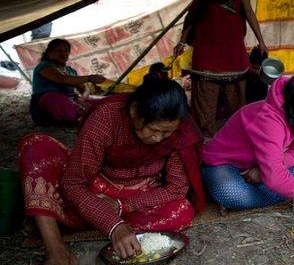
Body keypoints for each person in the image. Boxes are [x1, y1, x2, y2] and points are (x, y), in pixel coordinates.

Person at [18, 78, 206, 264]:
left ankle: (91, 220)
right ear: (134, 111)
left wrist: (122, 206)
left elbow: (176, 189)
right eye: (153, 129)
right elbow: (74, 183)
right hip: (96, 186)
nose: (158, 138)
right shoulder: (106, 118)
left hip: (139, 194)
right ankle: (56, 248)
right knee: (35, 145)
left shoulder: (180, 129)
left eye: (166, 133)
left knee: (182, 211)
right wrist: (113, 225)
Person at [201, 75, 294, 210]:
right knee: (231, 193)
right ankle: (262, 192)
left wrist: (262, 172)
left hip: (258, 165)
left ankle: (265, 190)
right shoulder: (269, 121)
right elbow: (274, 176)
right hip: (224, 165)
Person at [174, 0, 268, 135]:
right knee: (204, 104)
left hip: (233, 52)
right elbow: (192, 15)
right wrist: (182, 41)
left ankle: (236, 139)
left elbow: (249, 14)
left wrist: (262, 41)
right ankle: (204, 142)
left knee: (237, 103)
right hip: (207, 53)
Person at [30, 38, 106, 126]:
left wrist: (82, 99)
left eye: (66, 51)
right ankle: (83, 116)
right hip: (46, 107)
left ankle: (86, 113)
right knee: (51, 97)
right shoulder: (43, 66)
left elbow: (84, 89)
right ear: (49, 53)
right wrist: (89, 78)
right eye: (58, 50)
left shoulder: (71, 71)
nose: (63, 53)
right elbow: (62, 79)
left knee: (102, 101)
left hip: (71, 102)